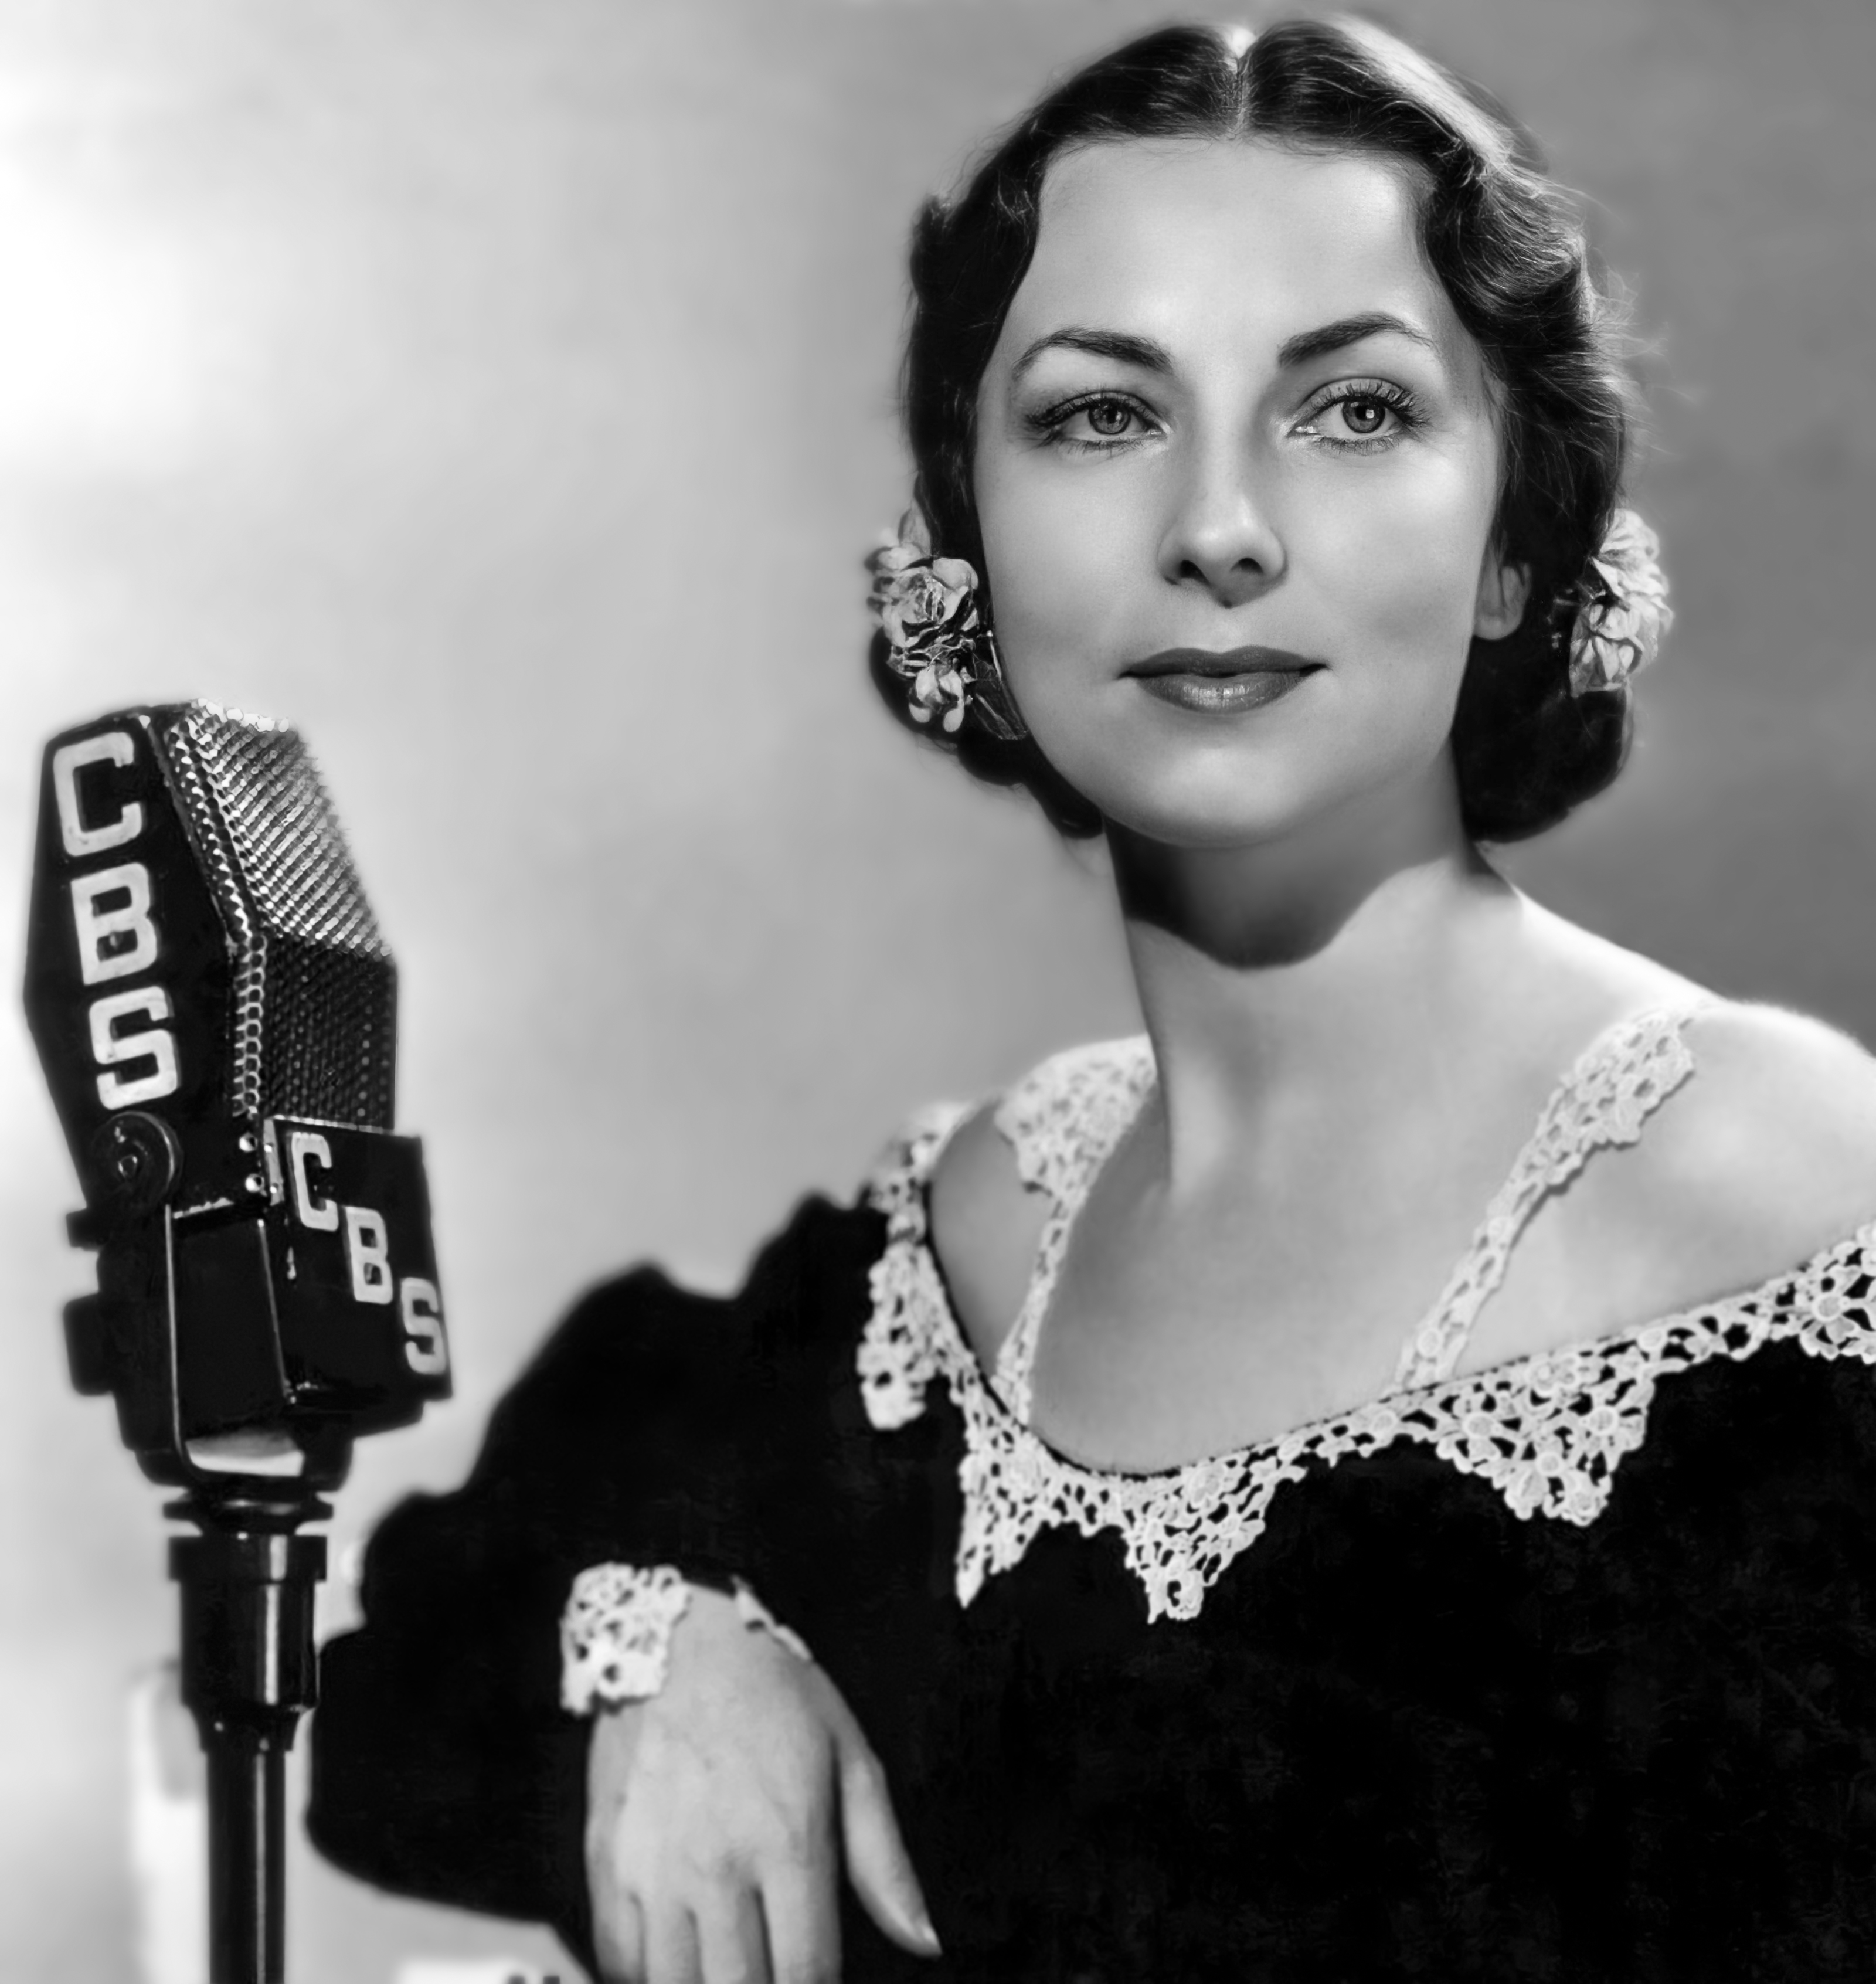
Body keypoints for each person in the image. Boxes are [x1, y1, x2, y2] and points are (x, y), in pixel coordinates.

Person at [308, 19, 1876, 1982]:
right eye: (1101, 416)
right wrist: (671, 1654)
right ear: (966, 556)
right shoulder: (955, 1247)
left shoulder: (1775, 1202)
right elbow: (394, 1694)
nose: (1219, 528)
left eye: (1357, 409)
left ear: (1514, 548)